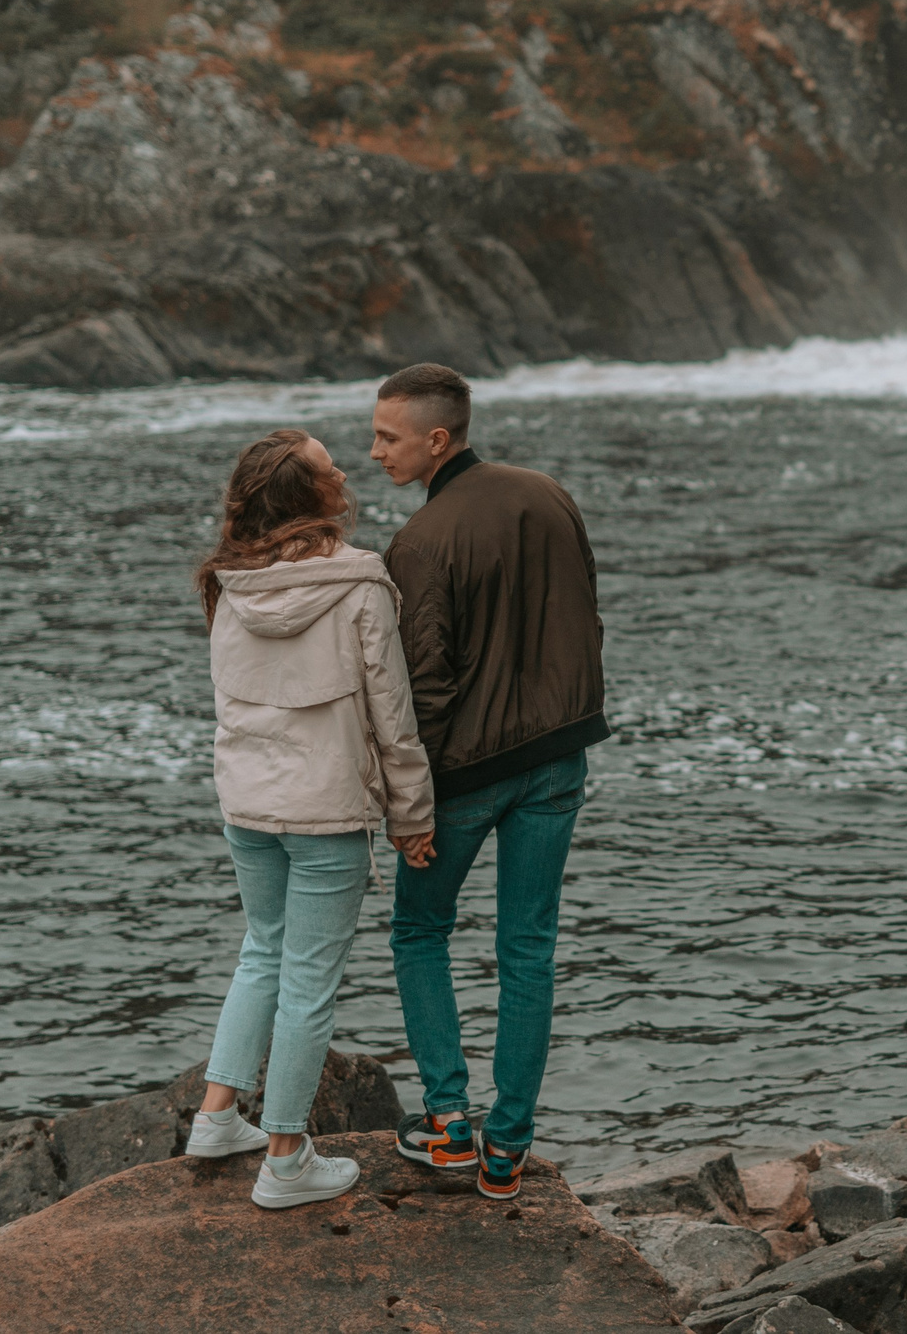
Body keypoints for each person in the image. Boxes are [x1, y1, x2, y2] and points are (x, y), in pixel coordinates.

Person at [369, 363, 608, 1201]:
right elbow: (588, 616)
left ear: (438, 439)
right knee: (528, 950)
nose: (374, 453)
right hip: (558, 759)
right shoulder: (549, 494)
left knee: (417, 933)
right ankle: (506, 1150)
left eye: (387, 438)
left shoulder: (420, 542)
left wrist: (412, 805)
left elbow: (423, 688)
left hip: (465, 775)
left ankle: (447, 1125)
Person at [184, 428, 434, 1209]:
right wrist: (412, 813)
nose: (346, 469)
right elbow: (392, 715)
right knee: (308, 983)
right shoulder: (359, 585)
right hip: (323, 809)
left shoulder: (229, 586)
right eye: (332, 466)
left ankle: (217, 1118)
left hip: (247, 802)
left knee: (262, 951)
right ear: (315, 495)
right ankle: (287, 1157)